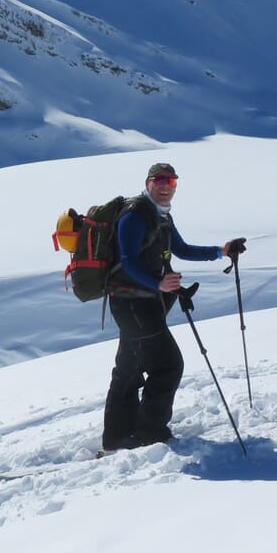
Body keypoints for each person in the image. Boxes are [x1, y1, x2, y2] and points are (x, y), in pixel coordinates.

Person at [101, 162, 245, 453]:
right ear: (149, 182)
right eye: (160, 180)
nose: (166, 186)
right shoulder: (135, 214)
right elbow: (128, 261)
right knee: (168, 365)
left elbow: (181, 250)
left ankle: (117, 438)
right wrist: (159, 284)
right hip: (132, 305)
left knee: (128, 369)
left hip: (144, 303)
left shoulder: (161, 216)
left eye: (172, 181)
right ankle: (150, 434)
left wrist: (221, 251)